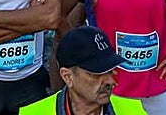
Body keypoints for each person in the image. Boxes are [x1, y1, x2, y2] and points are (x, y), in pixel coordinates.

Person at [16, 26, 148, 115]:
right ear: (67, 77)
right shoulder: (33, 113)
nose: (110, 80)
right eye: (97, 73)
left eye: (110, 71)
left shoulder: (134, 110)